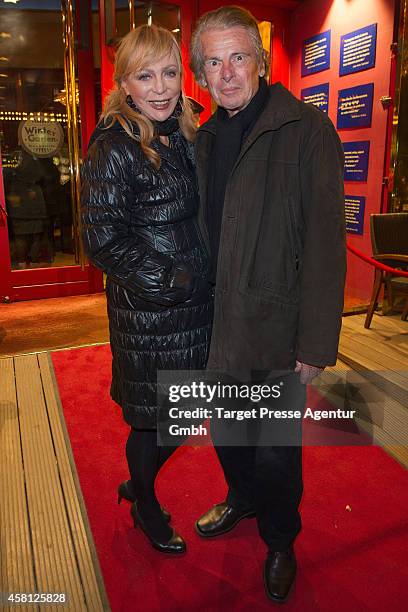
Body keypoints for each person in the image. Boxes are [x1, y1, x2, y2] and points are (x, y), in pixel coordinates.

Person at [190, 6, 346, 603]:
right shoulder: (203, 137)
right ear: (201, 72)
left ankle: (281, 540)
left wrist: (314, 343)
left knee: (277, 450)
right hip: (216, 325)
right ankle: (240, 499)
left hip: (276, 326)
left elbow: (327, 246)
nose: (226, 73)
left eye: (237, 57)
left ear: (258, 60)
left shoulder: (305, 130)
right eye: (213, 61)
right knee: (227, 432)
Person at [81, 24, 213, 555]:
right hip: (149, 316)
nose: (159, 87)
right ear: (125, 85)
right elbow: (102, 240)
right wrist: (172, 278)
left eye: (170, 73)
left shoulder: (185, 131)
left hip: (197, 309)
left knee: (182, 415)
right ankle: (145, 504)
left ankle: (137, 486)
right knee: (153, 420)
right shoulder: (113, 147)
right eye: (145, 75)